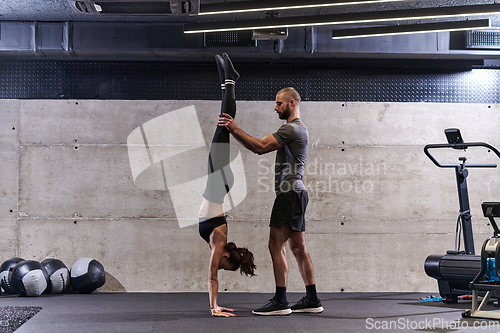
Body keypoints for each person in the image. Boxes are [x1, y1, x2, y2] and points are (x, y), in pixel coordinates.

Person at [218, 87, 324, 315]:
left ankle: (280, 301)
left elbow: (260, 147)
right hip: (297, 193)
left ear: (292, 103)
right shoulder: (300, 128)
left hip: (289, 195)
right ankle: (312, 299)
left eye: (279, 103)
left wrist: (233, 128)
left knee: (276, 246)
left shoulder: (291, 129)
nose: (275, 107)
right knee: (298, 247)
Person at [198, 53, 256, 318]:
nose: (219, 267)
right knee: (224, 123)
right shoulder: (219, 240)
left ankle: (228, 80)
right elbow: (211, 276)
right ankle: (230, 79)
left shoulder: (217, 243)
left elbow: (214, 272)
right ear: (226, 259)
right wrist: (214, 307)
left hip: (217, 182)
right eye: (225, 267)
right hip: (218, 180)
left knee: (223, 125)